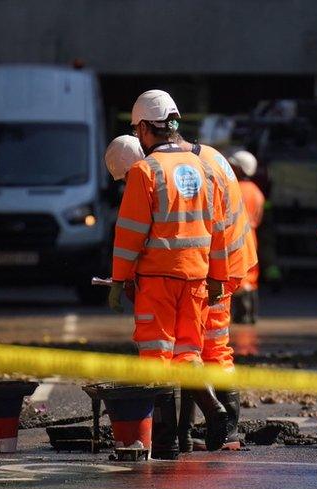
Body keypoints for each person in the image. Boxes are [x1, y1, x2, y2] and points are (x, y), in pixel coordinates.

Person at [109, 89, 231, 458]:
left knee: (156, 357)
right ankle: (212, 408)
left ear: (145, 128)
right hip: (196, 276)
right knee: (189, 353)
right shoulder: (204, 166)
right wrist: (217, 278)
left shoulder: (146, 171)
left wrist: (118, 280)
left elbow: (129, 232)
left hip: (159, 279)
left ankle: (164, 442)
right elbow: (219, 228)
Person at [173, 138, 257, 453]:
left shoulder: (196, 166)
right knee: (205, 347)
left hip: (219, 267)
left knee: (209, 348)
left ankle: (226, 430)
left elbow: (213, 224)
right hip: (228, 263)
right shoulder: (207, 157)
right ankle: (217, 429)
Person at [228, 150, 265, 324]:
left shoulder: (235, 189)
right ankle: (251, 314)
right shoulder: (257, 191)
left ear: (241, 169)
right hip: (252, 237)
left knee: (238, 275)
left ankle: (241, 315)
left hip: (237, 236)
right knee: (251, 276)